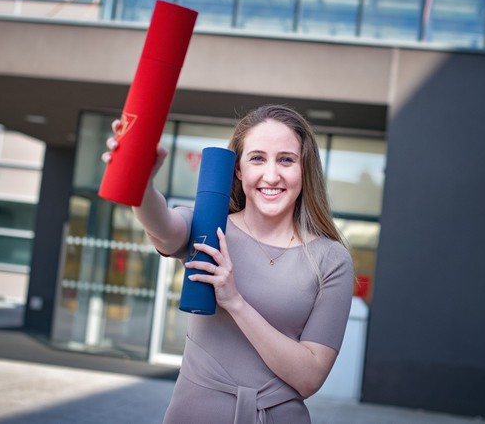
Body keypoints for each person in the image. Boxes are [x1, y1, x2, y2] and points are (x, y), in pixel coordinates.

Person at [103, 104, 354, 423]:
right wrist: (140, 183)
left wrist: (235, 301)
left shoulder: (331, 259)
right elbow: (163, 228)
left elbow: (310, 377)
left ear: (305, 168)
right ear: (238, 169)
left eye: (286, 160)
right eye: (257, 158)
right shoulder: (210, 227)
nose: (271, 175)